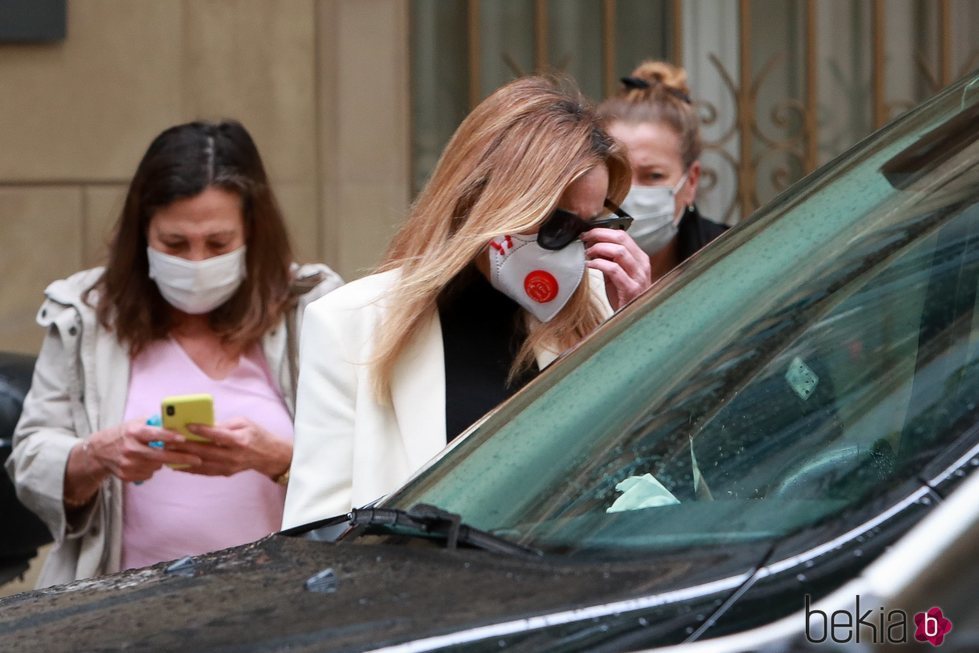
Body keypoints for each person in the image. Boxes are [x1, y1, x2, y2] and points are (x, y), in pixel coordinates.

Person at [282, 76, 652, 528]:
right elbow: (317, 535)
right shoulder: (350, 324)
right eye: (557, 225)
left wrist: (646, 336)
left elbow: (662, 493)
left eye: (592, 227)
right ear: (485, 204)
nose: (574, 249)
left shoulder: (601, 311)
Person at [6, 120, 343, 587]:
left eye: (219, 243)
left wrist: (279, 459)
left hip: (284, 606)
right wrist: (98, 454)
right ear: (143, 233)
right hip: (120, 607)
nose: (197, 263)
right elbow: (29, 458)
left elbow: (370, 459)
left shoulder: (311, 308)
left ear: (253, 231)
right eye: (175, 243)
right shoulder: (85, 313)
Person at [598, 60, 727, 283]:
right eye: (617, 175)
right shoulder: (561, 267)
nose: (630, 193)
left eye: (653, 176)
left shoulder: (729, 261)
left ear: (691, 181)